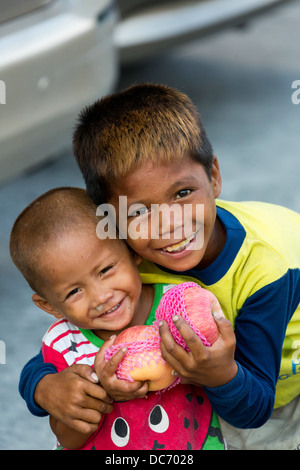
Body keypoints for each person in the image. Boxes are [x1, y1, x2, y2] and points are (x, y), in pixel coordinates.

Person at [19, 83, 300, 449]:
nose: (169, 225)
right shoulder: (124, 263)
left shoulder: (265, 270)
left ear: (213, 177)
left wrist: (218, 375)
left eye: (183, 193)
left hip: (276, 380)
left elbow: (256, 406)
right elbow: (63, 343)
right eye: (139, 212)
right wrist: (42, 387)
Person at [10, 186, 225, 450]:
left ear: (131, 250)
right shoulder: (63, 344)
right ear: (49, 305)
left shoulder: (179, 306)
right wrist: (100, 393)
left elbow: (223, 370)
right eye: (74, 291)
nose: (101, 297)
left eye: (106, 269)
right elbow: (67, 438)